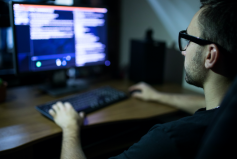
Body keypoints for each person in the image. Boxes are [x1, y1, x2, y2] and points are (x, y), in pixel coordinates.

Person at [48, 0, 237, 158]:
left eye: (188, 40)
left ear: (210, 55)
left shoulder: (169, 138)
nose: (183, 50)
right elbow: (209, 106)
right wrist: (158, 96)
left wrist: (70, 127)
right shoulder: (228, 112)